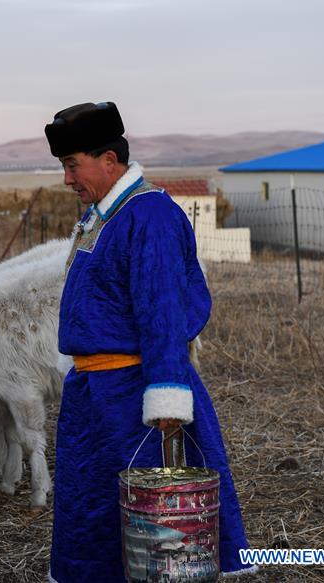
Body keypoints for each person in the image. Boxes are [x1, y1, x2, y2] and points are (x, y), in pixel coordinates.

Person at [44, 102, 254, 581]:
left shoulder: (149, 217)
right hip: (97, 399)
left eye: (72, 166)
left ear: (108, 162)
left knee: (149, 521)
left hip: (133, 401)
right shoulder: (107, 216)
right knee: (95, 509)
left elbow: (162, 311)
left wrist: (167, 401)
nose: (66, 179)